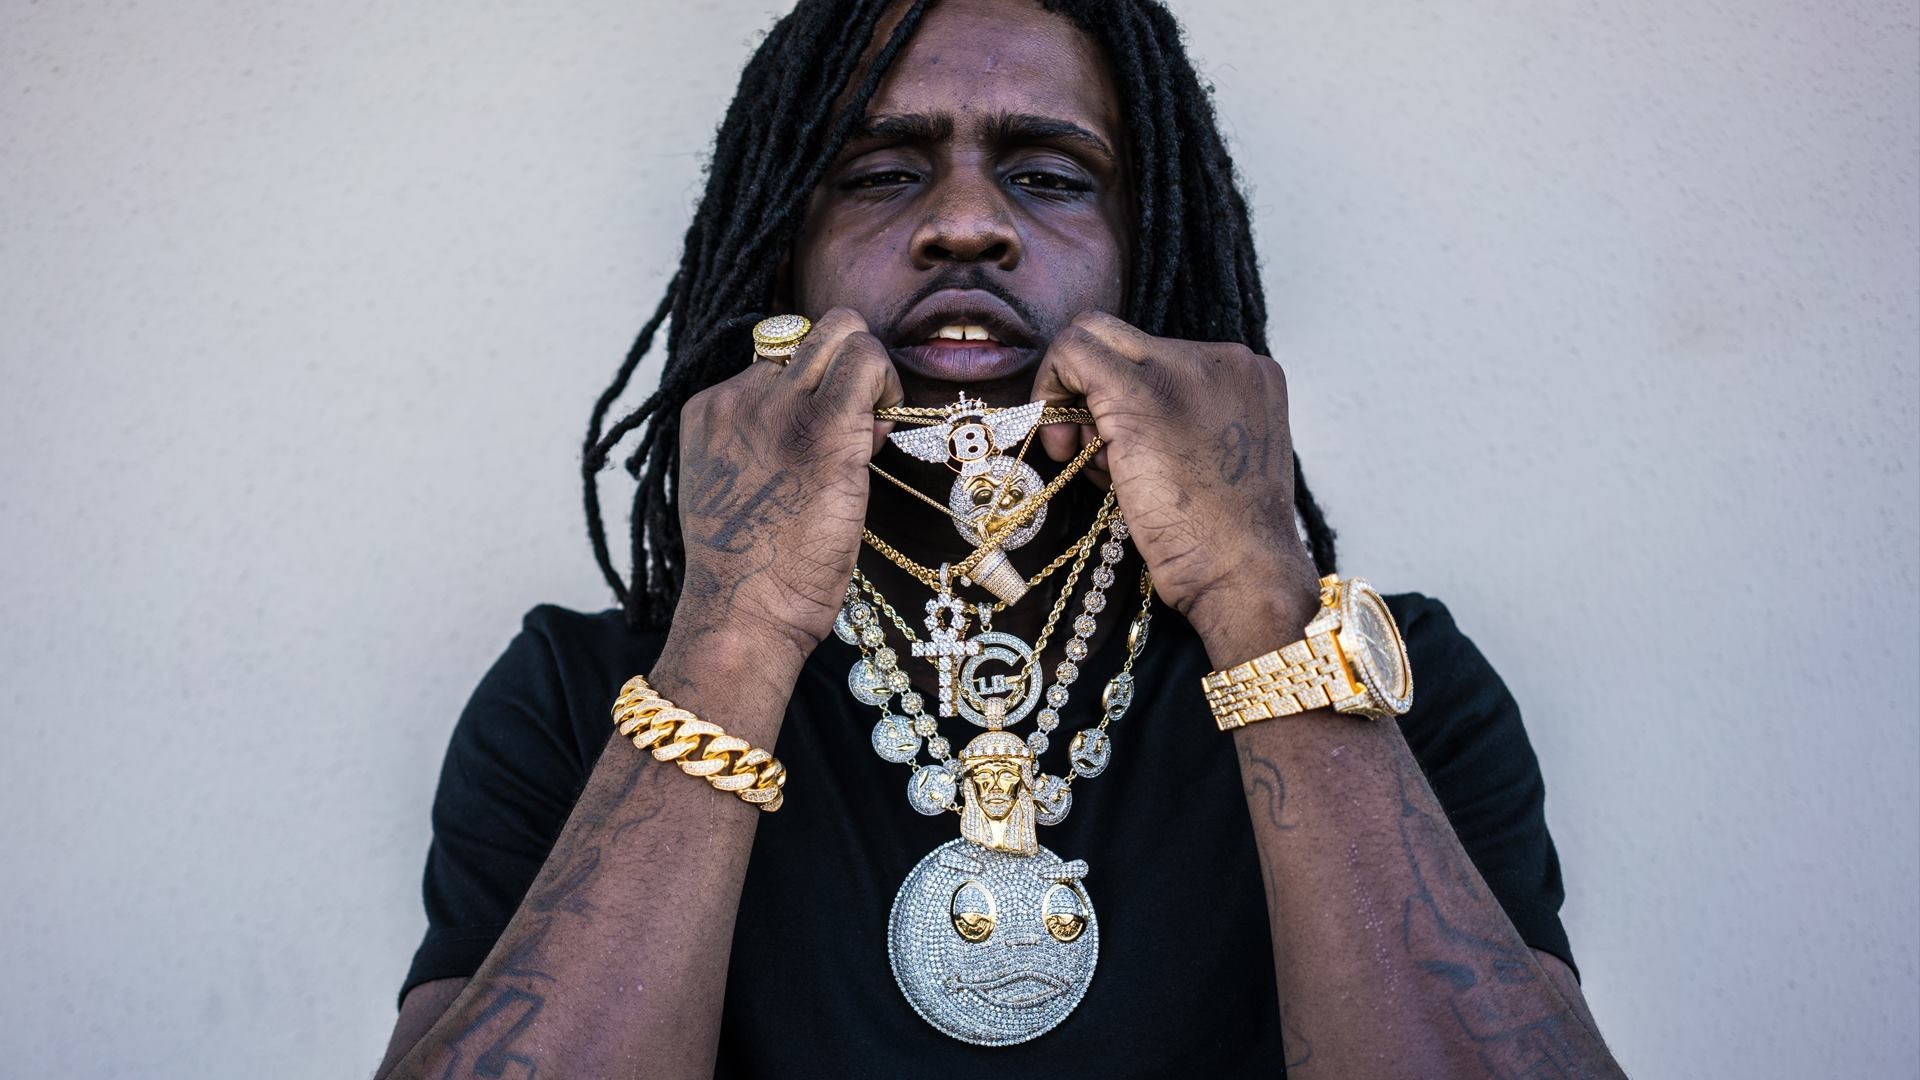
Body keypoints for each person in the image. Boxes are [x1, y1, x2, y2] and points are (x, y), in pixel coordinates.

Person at [374, 0, 1625, 1075]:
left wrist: (1256, 587)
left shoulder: (1389, 681)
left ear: (1152, 257)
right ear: (781, 263)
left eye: (1052, 175)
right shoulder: (575, 698)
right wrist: (734, 627)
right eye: (881, 173)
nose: (967, 223)